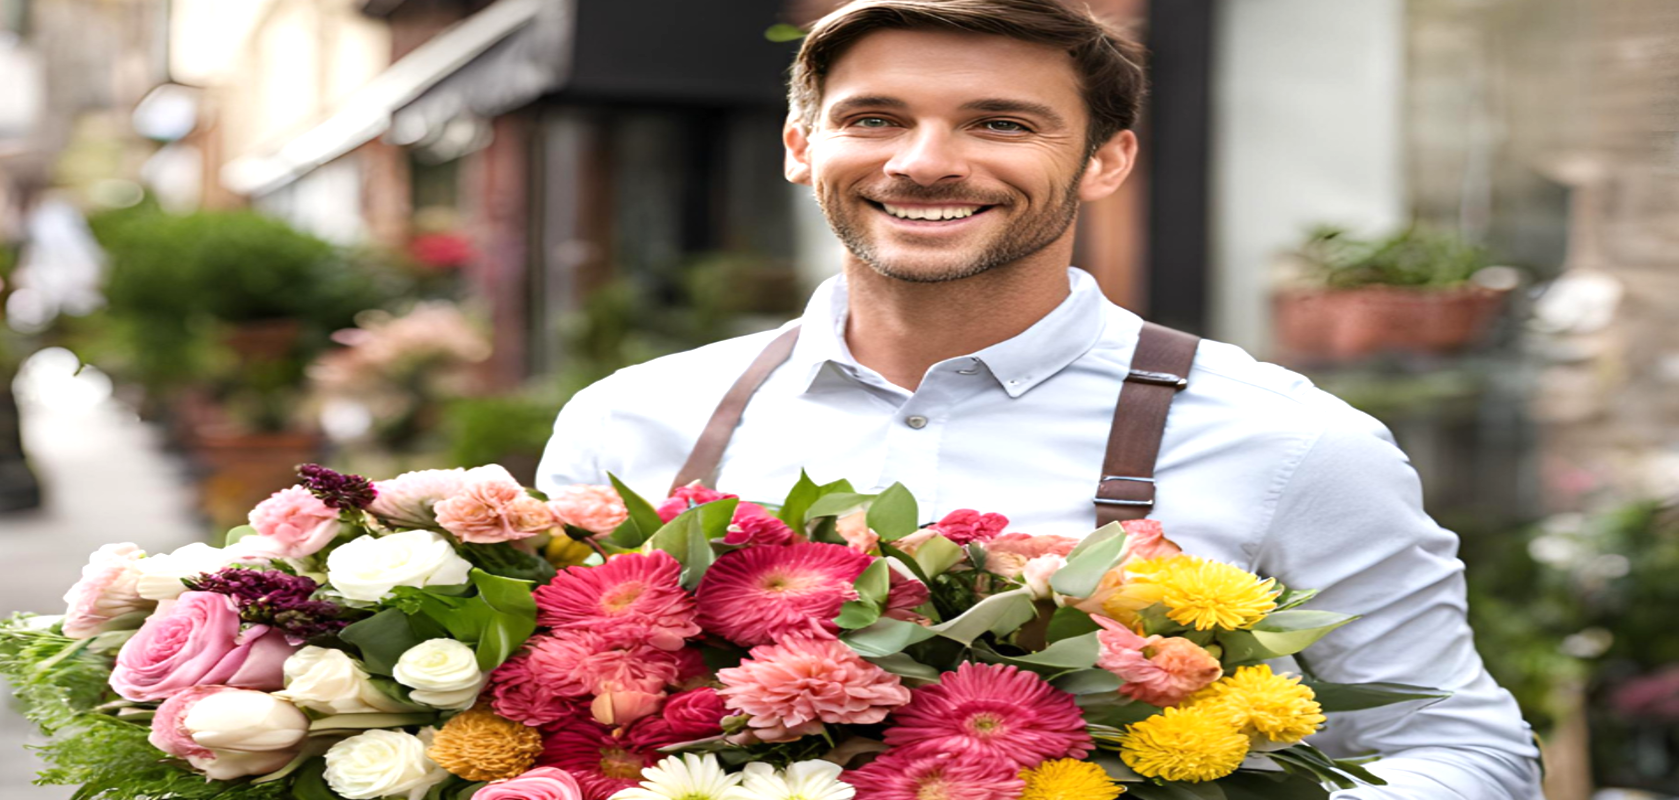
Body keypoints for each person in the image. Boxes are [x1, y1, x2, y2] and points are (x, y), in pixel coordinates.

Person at [536, 0, 1543, 795]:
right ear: (801, 147)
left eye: (1000, 123)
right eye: (874, 118)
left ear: (1106, 160)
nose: (924, 161)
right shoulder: (628, 420)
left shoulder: (1289, 439)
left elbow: (1459, 746)